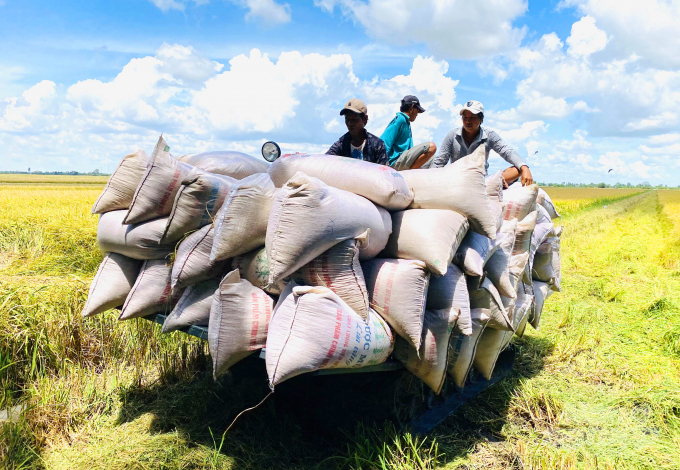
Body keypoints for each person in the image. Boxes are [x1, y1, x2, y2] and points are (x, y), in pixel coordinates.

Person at [430, 100, 534, 186]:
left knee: (518, 169)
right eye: (465, 118)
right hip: (457, 179)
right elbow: (440, 162)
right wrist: (427, 177)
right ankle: (497, 183)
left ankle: (497, 182)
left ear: (481, 119)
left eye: (472, 118)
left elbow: (506, 151)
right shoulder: (452, 135)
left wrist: (524, 167)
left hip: (482, 180)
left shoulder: (489, 135)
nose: (468, 121)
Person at [381, 95, 437, 170]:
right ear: (412, 107)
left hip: (403, 160)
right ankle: (408, 173)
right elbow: (384, 142)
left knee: (432, 158)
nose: (417, 114)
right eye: (417, 110)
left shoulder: (406, 122)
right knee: (431, 147)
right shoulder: (399, 120)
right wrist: (382, 166)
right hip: (394, 162)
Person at [326, 98, 388, 165]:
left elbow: (383, 171)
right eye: (347, 119)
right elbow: (325, 161)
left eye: (354, 119)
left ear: (365, 119)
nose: (350, 123)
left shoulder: (377, 145)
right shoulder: (341, 145)